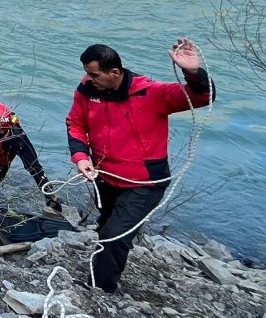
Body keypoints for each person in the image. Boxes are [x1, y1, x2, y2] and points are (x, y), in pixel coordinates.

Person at [66, 37, 214, 293]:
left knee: (112, 235)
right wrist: (81, 157)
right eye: (87, 74)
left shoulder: (151, 92)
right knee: (107, 227)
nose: (89, 79)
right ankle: (106, 264)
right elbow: (76, 124)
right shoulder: (87, 89)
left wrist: (193, 72)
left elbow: (202, 97)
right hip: (105, 176)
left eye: (93, 74)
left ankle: (100, 289)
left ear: (114, 72)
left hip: (144, 183)